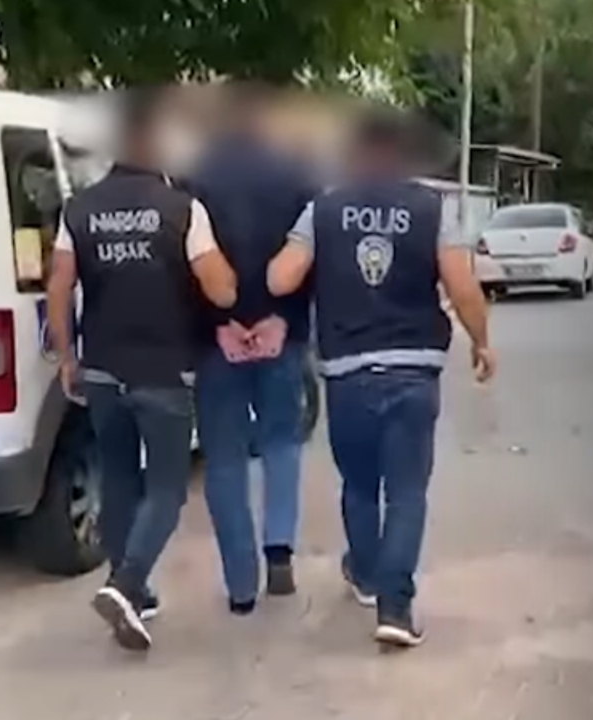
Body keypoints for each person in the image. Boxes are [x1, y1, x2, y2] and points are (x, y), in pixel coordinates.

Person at [267, 110, 495, 648]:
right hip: (414, 368)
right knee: (407, 492)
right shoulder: (431, 208)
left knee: (361, 486)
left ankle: (366, 575)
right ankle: (395, 607)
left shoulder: (323, 209)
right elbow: (462, 286)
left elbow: (281, 278)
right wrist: (482, 341)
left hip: (347, 371)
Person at [45, 86, 238, 651]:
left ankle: (134, 591)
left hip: (102, 369)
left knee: (121, 480)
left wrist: (67, 356)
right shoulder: (182, 210)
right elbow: (222, 291)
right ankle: (126, 584)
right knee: (168, 489)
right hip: (163, 370)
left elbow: (60, 287)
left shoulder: (79, 209)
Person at [183, 82, 318, 613]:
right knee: (282, 441)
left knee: (225, 458)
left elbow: (186, 262)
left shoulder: (193, 174)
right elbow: (311, 255)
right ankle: (279, 552)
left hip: (217, 341)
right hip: (281, 335)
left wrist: (219, 323)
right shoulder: (299, 172)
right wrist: (284, 320)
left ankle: (241, 585)